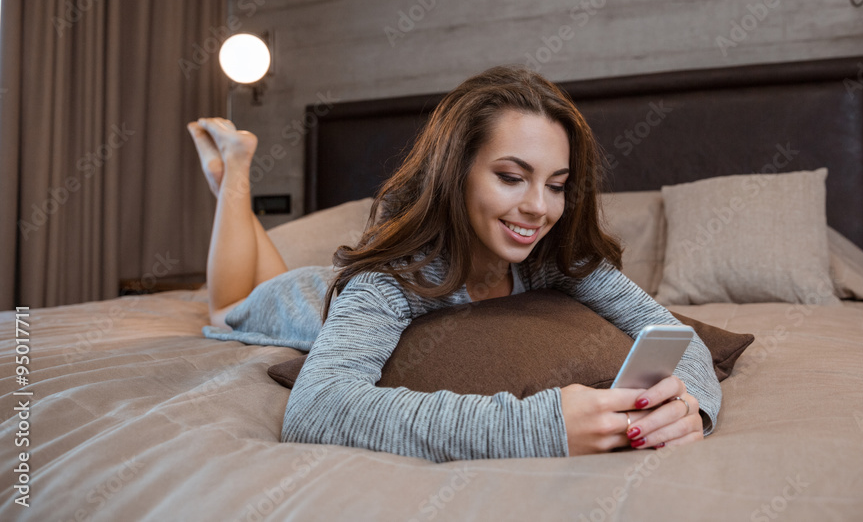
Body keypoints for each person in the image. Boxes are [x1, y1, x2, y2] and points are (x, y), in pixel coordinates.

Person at [189, 66, 721, 463]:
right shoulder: (388, 282)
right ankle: (234, 171)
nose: (539, 207)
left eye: (556, 185)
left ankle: (232, 182)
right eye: (512, 177)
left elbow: (677, 337)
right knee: (225, 306)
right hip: (306, 295)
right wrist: (545, 427)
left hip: (333, 282)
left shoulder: (556, 259)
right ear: (455, 173)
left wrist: (690, 409)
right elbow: (317, 409)